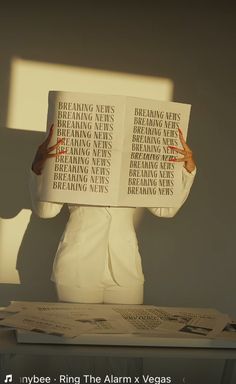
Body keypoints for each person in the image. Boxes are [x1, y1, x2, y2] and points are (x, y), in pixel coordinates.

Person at [29, 124, 196, 305]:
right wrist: (38, 171)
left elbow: (166, 210)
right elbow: (46, 212)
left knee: (124, 332)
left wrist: (187, 171)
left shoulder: (137, 170)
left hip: (125, 270)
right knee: (78, 333)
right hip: (77, 268)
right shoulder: (73, 165)